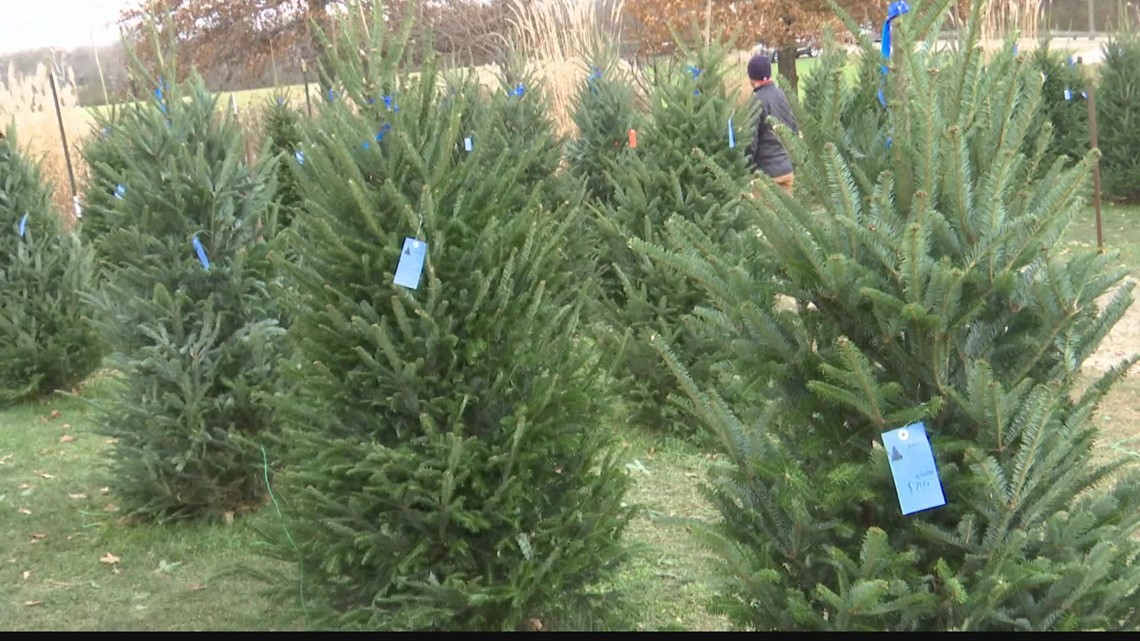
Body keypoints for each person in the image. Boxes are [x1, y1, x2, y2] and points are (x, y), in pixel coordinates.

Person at [745, 53, 799, 197]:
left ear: (751, 78)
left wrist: (746, 165)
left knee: (766, 218)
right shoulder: (782, 95)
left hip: (766, 174)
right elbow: (793, 129)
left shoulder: (756, 101)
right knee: (787, 216)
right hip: (787, 170)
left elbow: (751, 139)